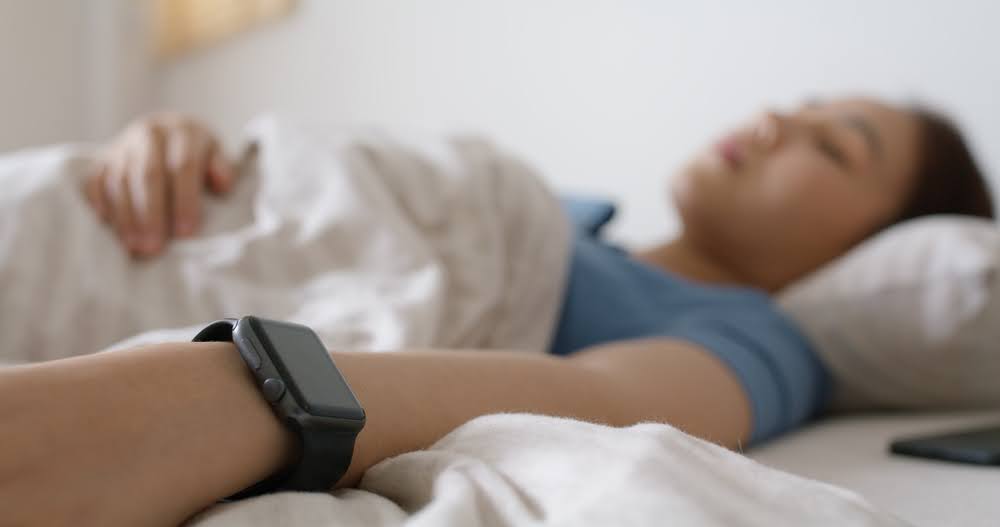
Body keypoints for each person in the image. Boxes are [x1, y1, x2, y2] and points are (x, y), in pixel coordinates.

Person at [1, 97, 993, 526]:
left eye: (834, 145)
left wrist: (226, 391)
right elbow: (309, 206)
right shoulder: (563, 220)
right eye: (805, 104)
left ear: (879, 244)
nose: (780, 119)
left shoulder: (754, 332)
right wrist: (174, 140)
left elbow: (600, 394)